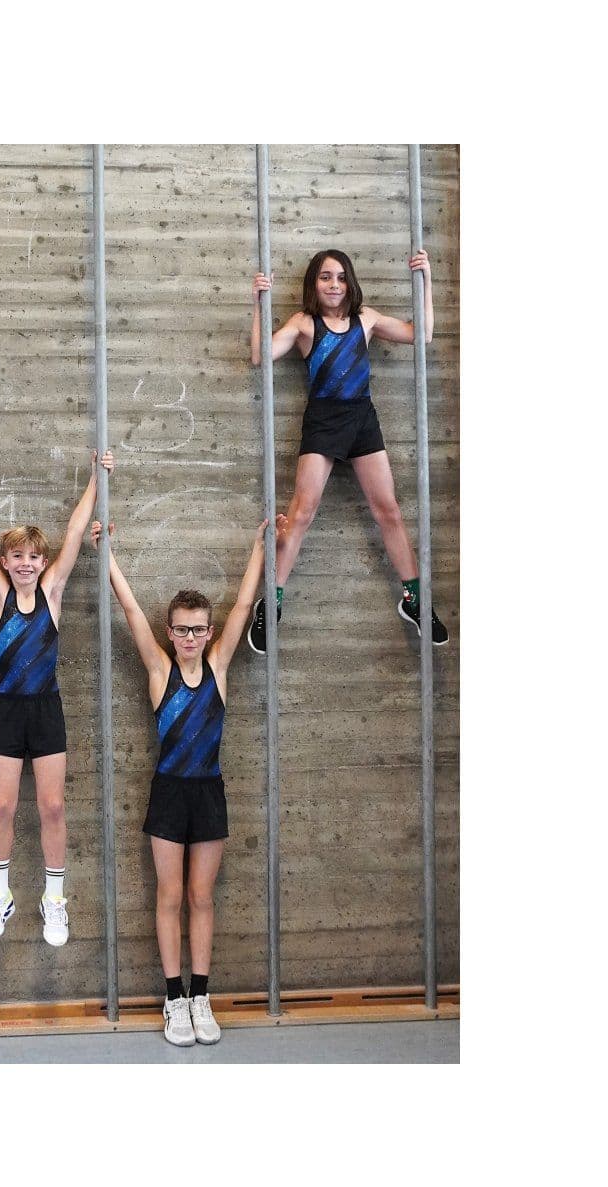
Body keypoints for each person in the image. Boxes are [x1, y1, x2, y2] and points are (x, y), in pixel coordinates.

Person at [92, 511, 286, 1045]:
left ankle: (202, 996)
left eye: (200, 629)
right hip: (169, 792)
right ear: (171, 631)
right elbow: (129, 609)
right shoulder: (160, 671)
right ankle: (174, 999)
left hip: (209, 792)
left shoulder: (220, 665)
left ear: (209, 632)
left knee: (203, 897)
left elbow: (245, 606)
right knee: (170, 896)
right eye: (182, 629)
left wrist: (260, 549)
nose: (192, 637)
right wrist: (106, 555)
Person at [0, 447, 113, 948]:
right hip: (8, 710)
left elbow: (76, 534)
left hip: (47, 708)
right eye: (17, 557)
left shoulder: (53, 592)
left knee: (54, 807)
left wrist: (97, 481)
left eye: (34, 557)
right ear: (5, 561)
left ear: (43, 562)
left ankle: (54, 902)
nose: (26, 564)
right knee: (2, 806)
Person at [247, 248, 448, 653]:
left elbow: (421, 334)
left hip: (361, 420)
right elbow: (259, 355)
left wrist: (426, 280)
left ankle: (414, 600)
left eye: (340, 277)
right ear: (313, 283)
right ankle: (272, 603)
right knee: (300, 514)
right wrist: (257, 304)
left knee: (388, 510)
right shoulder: (304, 324)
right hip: (322, 421)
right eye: (325, 277)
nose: (334, 285)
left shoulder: (366, 319)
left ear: (349, 281)